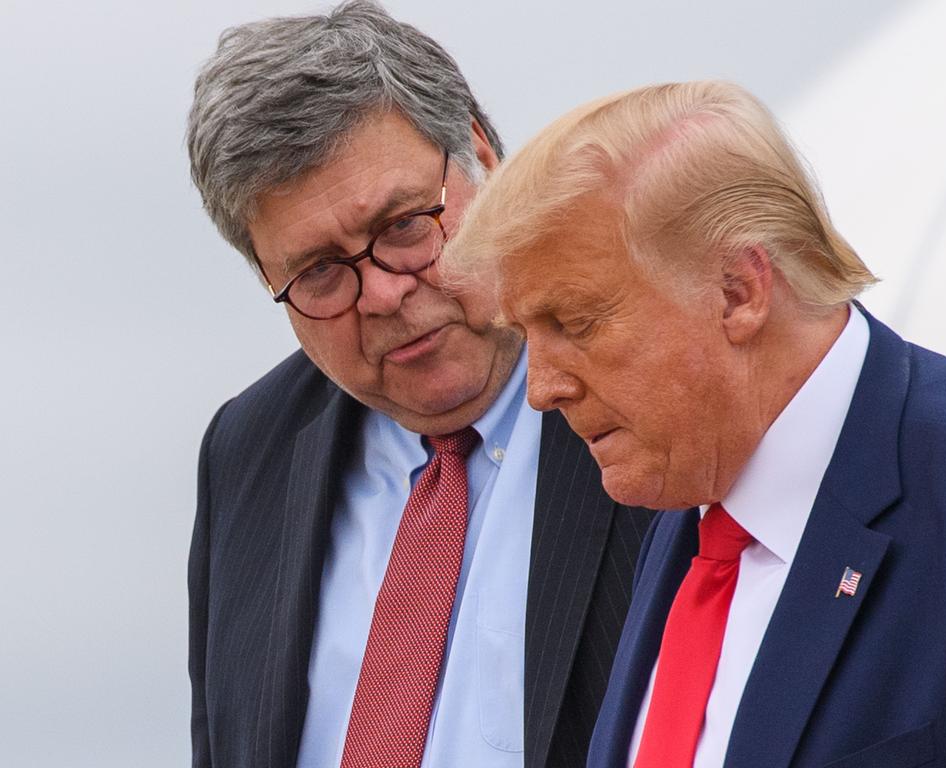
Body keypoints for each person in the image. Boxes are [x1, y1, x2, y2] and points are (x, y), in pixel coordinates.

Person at [441, 81, 946, 767]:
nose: (542, 390)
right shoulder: (686, 506)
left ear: (738, 291)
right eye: (527, 333)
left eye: (575, 323)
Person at [185, 4, 653, 767]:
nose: (382, 295)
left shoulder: (653, 379)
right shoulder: (247, 451)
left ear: (482, 157)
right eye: (321, 273)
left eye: (405, 226)